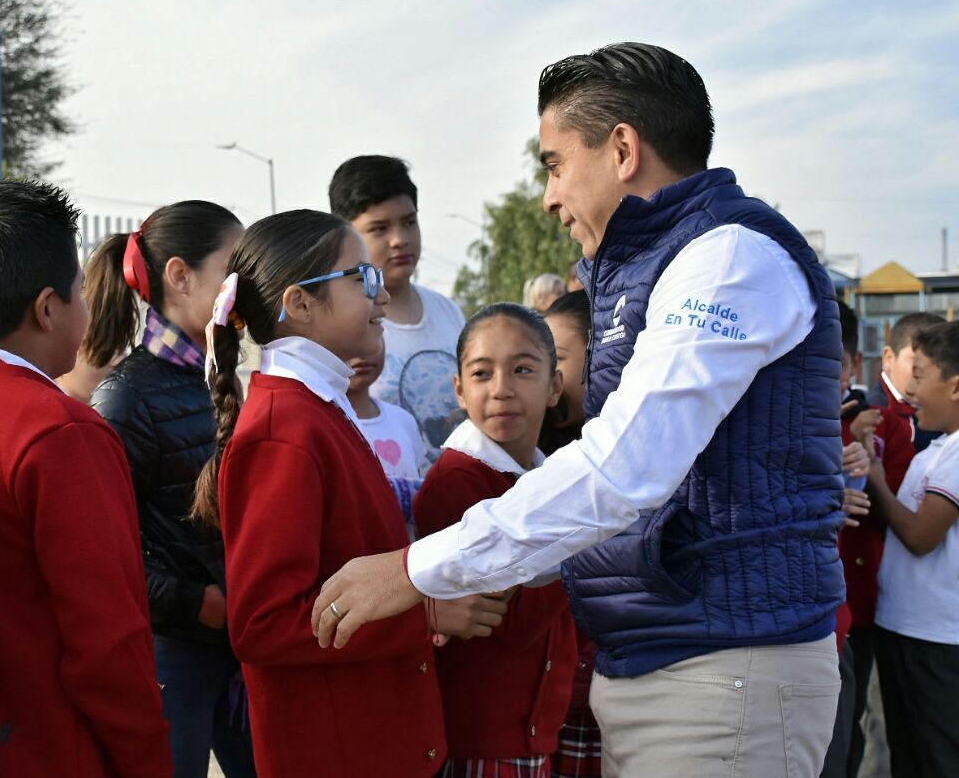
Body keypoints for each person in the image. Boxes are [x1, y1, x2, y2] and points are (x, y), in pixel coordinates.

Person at [313, 42, 846, 778]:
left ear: (622, 148)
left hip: (723, 670)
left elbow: (623, 469)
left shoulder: (727, 261)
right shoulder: (650, 267)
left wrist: (416, 569)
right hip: (671, 661)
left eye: (555, 164)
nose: (548, 197)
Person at [191, 209, 510, 777]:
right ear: (301, 303)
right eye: (361, 278)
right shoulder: (281, 431)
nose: (382, 294)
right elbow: (264, 623)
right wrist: (425, 611)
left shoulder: (316, 410)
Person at [0, 180, 171, 778]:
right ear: (48, 308)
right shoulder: (62, 433)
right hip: (56, 750)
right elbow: (109, 644)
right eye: (80, 292)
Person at [86, 200, 254, 778]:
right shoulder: (125, 398)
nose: (248, 287)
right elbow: (103, 552)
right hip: (173, 654)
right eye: (235, 269)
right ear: (180, 275)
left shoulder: (222, 379)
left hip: (238, 644)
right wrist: (199, 604)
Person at [414, 303, 576, 778]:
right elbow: (508, 622)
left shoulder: (545, 481)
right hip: (478, 739)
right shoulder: (457, 480)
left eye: (523, 369)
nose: (502, 389)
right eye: (482, 373)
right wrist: (580, 537)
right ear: (460, 391)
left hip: (535, 732)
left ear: (554, 387)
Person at [867, 320, 959, 778]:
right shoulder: (936, 450)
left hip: (936, 639)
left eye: (921, 375)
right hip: (905, 628)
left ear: (955, 386)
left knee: (936, 756)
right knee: (909, 753)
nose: (912, 387)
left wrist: (877, 482)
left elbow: (922, 537)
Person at [329, 155, 465, 457]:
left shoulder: (448, 311)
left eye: (409, 222)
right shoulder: (340, 327)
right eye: (379, 228)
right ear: (344, 236)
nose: (399, 240)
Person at [830, 301, 913, 778]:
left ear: (853, 366)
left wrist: (865, 458)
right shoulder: (796, 425)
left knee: (854, 728)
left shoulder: (880, 429)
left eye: (835, 366)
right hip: (813, 619)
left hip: (861, 609)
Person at [538, 290, 603, 778]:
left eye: (557, 358)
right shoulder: (528, 454)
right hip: (551, 693)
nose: (548, 378)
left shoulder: (621, 455)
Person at [347, 338, 430, 537]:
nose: (363, 351)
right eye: (351, 336)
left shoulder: (403, 420)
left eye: (372, 327)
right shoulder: (325, 424)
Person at [868, 311, 945, 451]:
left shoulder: (947, 412)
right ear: (889, 358)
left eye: (939, 362)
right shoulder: (868, 413)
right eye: (916, 361)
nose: (930, 371)